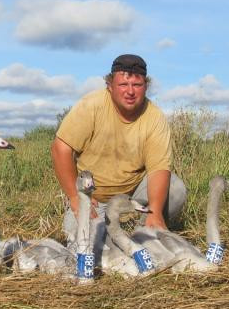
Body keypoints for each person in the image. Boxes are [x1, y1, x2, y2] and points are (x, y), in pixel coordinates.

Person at [52, 53, 187, 243]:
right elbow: (61, 148)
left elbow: (159, 169)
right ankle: (118, 237)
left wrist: (155, 211)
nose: (130, 91)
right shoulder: (91, 105)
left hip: (133, 199)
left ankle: (142, 234)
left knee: (176, 187)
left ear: (145, 87)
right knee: (82, 241)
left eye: (137, 85)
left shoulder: (155, 117)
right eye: (123, 85)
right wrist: (75, 197)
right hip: (94, 199)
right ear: (110, 86)